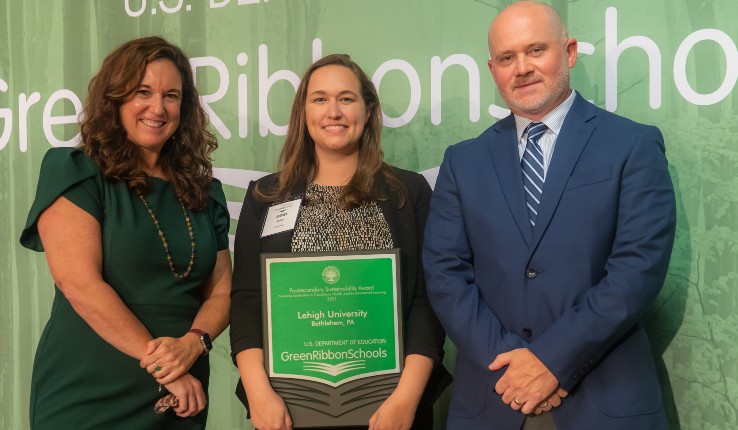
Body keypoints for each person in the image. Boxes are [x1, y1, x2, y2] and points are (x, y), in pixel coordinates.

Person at [422, 2, 676, 429]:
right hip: (493, 398)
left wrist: (551, 361)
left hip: (606, 401)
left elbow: (637, 270)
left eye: (536, 50)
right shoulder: (463, 162)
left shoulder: (632, 145)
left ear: (570, 52)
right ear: (492, 69)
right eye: (507, 58)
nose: (521, 68)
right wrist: (513, 371)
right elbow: (445, 274)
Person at [19, 36, 232, 429]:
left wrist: (193, 344)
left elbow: (221, 291)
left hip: (180, 396)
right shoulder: (76, 170)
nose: (158, 107)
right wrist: (169, 368)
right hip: (92, 390)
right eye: (142, 92)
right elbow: (77, 282)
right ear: (114, 100)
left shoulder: (204, 192)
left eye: (171, 95)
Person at [230, 53, 450, 430]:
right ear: (303, 112)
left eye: (346, 98)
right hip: (289, 408)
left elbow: (426, 302)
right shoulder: (265, 196)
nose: (333, 111)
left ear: (368, 110)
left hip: (391, 408)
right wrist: (258, 393)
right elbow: (248, 300)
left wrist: (406, 400)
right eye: (320, 99)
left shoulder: (409, 193)